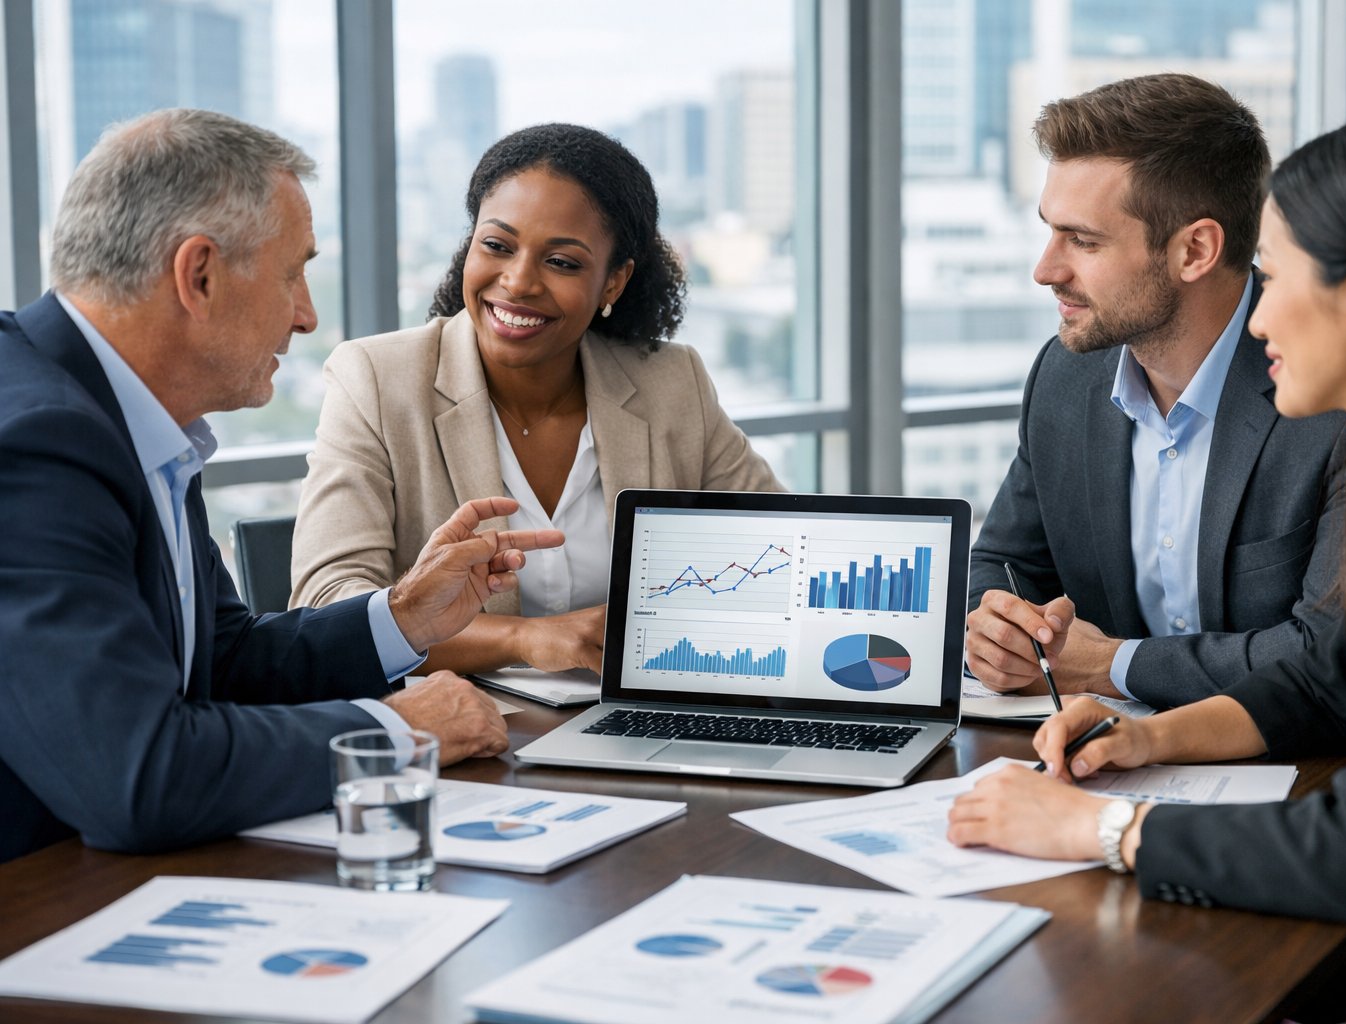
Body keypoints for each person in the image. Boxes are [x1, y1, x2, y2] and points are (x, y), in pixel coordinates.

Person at [948, 108, 1346, 1022]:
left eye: (1278, 276)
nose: (1255, 311)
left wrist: (1100, 829)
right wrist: (1151, 738)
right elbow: (1336, 672)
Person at [0, 109, 562, 863]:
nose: (306, 315)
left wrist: (403, 616)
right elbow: (138, 775)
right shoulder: (38, 441)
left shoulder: (125, 412)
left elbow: (219, 660)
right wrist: (400, 731)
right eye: (292, 273)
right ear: (197, 275)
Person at [291, 123, 782, 678]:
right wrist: (523, 639)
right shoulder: (378, 380)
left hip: (638, 724)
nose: (519, 281)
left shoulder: (672, 382)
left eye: (563, 262)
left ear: (613, 283)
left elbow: (781, 558)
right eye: (497, 246)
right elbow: (327, 606)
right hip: (466, 733)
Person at [966, 74, 1346, 709]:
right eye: (1049, 230)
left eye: (1083, 241)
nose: (1045, 269)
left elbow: (1329, 653)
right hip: (1101, 758)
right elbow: (1003, 566)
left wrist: (1110, 665)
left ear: (1195, 249)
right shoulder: (1065, 376)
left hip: (1297, 771)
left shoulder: (1329, 392)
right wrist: (1001, 632)